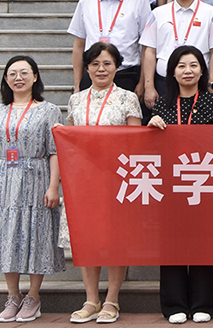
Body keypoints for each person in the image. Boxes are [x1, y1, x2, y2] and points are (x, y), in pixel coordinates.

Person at [0, 55, 63, 323]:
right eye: (12, 73)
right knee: (7, 234)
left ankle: (33, 297)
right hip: (3, 179)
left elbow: (55, 151)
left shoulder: (49, 110)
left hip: (36, 177)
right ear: (6, 79)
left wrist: (53, 186)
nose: (18, 78)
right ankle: (13, 295)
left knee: (37, 233)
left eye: (24, 72)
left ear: (35, 77)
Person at [145, 46, 213, 324]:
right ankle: (174, 304)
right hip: (170, 184)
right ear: (172, 72)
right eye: (181, 66)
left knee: (205, 241)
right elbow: (151, 149)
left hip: (204, 180)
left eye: (193, 65)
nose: (187, 71)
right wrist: (151, 127)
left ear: (202, 71)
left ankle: (204, 303)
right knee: (171, 243)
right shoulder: (162, 105)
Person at [62, 43, 142, 325]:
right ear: (87, 68)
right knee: (86, 238)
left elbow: (135, 143)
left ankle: (112, 299)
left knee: (115, 238)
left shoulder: (128, 98)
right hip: (83, 180)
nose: (101, 69)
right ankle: (91, 299)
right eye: (95, 64)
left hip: (116, 178)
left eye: (107, 63)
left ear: (117, 67)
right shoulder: (76, 100)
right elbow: (70, 138)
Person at [140, 0, 213, 111]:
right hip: (164, 83)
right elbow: (149, 50)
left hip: (199, 83)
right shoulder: (157, 14)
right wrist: (149, 86)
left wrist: (211, 84)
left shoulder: (212, 14)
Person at [68, 0, 148, 92]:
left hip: (126, 74)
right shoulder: (86, 2)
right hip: (92, 75)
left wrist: (143, 83)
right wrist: (77, 84)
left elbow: (146, 46)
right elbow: (79, 45)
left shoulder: (139, 1)